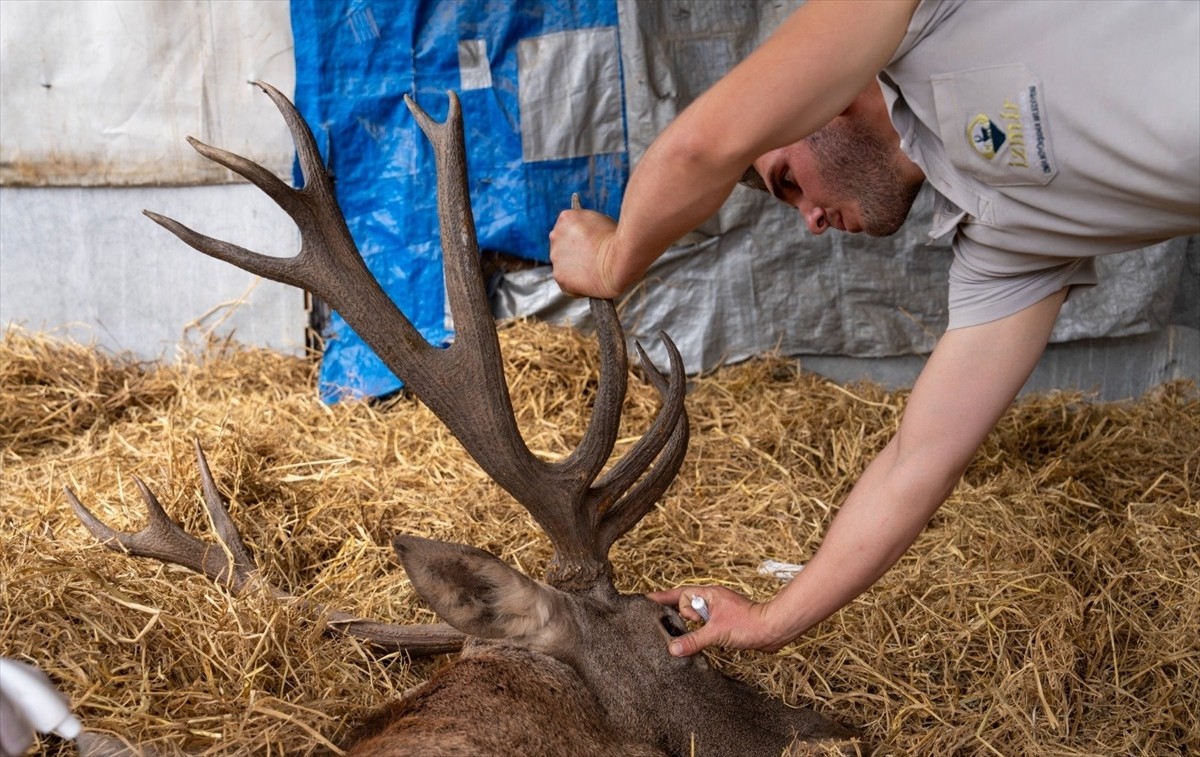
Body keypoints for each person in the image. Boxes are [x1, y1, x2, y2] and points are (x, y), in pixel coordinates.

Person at [548, 0, 1200, 658]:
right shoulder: (1006, 242)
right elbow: (914, 465)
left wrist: (612, 259)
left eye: (788, 182)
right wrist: (773, 621)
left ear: (813, 103)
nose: (811, 219)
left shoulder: (928, 18)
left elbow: (705, 145)